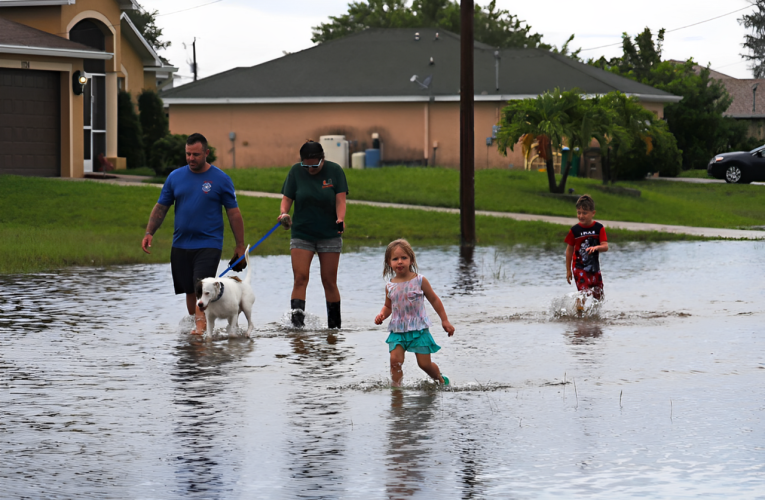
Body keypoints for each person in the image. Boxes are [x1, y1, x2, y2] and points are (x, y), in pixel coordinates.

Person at [142, 133, 246, 334]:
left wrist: (240, 245)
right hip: (181, 244)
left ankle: (200, 327)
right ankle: (197, 325)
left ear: (206, 153)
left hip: (209, 243)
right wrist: (149, 232)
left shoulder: (221, 179)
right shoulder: (175, 177)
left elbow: (234, 214)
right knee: (189, 289)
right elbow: (161, 207)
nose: (191, 158)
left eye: (196, 154)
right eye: (188, 154)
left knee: (201, 284)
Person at [278, 140, 348, 328]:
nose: (310, 169)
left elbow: (340, 201)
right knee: (300, 278)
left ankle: (334, 328)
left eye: (314, 165)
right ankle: (297, 326)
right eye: (306, 165)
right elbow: (286, 199)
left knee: (329, 281)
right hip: (302, 233)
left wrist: (340, 218)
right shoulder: (295, 172)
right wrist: (284, 213)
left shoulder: (335, 171)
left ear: (322, 159)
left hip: (329, 233)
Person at [374, 239, 455, 387]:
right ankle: (397, 390)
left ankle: (441, 380)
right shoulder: (390, 286)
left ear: (411, 260)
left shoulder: (419, 280)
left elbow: (434, 300)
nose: (400, 262)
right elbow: (388, 306)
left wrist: (445, 320)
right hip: (397, 330)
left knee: (424, 365)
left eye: (404, 258)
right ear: (389, 262)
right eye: (395, 259)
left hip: (419, 329)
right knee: (395, 361)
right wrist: (382, 315)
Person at [565, 194, 608, 310]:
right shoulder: (575, 230)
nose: (581, 216)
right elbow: (569, 250)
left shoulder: (599, 228)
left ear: (593, 213)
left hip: (594, 268)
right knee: (583, 293)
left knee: (599, 295)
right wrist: (568, 270)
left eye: (584, 213)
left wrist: (596, 248)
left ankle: (593, 318)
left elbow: (605, 246)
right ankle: (579, 315)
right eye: (579, 212)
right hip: (579, 267)